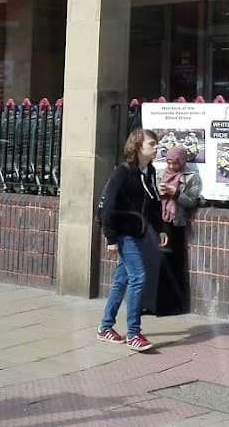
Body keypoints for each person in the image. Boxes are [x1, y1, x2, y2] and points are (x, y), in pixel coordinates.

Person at [97, 128, 166, 352]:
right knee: (138, 278)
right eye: (151, 144)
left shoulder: (150, 171)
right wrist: (111, 238)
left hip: (139, 232)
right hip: (124, 233)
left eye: (156, 144)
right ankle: (133, 333)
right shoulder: (123, 172)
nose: (156, 148)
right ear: (137, 147)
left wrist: (160, 229)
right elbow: (108, 206)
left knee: (122, 280)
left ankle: (105, 327)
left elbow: (153, 203)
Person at [154, 144, 202, 316]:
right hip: (159, 222)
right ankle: (153, 304)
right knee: (156, 263)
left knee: (172, 264)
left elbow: (192, 201)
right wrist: (159, 193)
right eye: (168, 162)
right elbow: (151, 197)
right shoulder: (160, 174)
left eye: (175, 163)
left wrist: (175, 193)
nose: (172, 166)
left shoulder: (191, 177)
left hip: (176, 224)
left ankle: (172, 306)